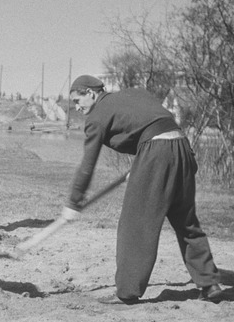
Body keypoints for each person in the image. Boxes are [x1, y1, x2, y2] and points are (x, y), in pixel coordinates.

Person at [64, 75, 222, 304]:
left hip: (156, 153)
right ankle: (210, 283)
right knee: (186, 221)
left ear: (91, 93)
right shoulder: (135, 93)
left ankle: (127, 291)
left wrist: (72, 202)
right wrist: (144, 163)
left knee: (135, 224)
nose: (77, 108)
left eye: (78, 100)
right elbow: (151, 124)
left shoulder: (97, 116)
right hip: (181, 147)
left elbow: (87, 164)